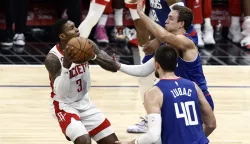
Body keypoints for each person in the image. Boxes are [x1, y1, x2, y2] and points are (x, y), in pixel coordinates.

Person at [117, 4, 214, 133]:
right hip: (179, 99)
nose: (166, 21)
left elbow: (163, 36)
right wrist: (117, 66)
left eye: (171, 18)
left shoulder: (187, 42)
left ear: (181, 24)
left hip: (197, 99)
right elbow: (144, 70)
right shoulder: (167, 46)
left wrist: (141, 14)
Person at [116, 45, 216, 144]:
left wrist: (130, 143)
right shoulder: (194, 86)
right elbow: (211, 124)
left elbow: (153, 136)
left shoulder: (153, 93)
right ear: (176, 64)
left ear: (156, 65)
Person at [44, 19, 119, 144]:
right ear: (62, 36)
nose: (77, 29)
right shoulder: (53, 58)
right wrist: (66, 68)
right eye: (72, 28)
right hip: (65, 106)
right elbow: (61, 94)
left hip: (85, 103)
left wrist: (97, 57)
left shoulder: (87, 44)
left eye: (76, 26)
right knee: (84, 140)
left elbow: (113, 68)